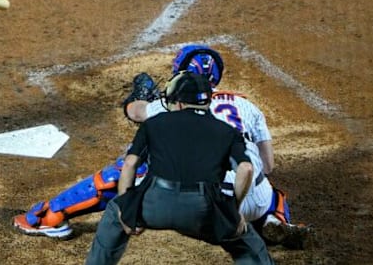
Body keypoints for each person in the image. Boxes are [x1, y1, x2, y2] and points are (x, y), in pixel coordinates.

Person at [13, 45, 313, 249]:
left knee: (131, 168)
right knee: (257, 174)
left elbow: (136, 112)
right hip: (252, 200)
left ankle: (50, 217)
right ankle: (275, 219)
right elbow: (269, 164)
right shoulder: (246, 105)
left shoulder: (173, 102)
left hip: (203, 209)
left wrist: (138, 95)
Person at [85, 71, 274, 264]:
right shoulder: (227, 131)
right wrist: (232, 210)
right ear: (208, 101)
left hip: (154, 203)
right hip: (203, 209)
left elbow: (130, 163)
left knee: (113, 214)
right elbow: (246, 169)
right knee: (247, 242)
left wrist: (126, 208)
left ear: (180, 103)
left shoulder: (153, 123)